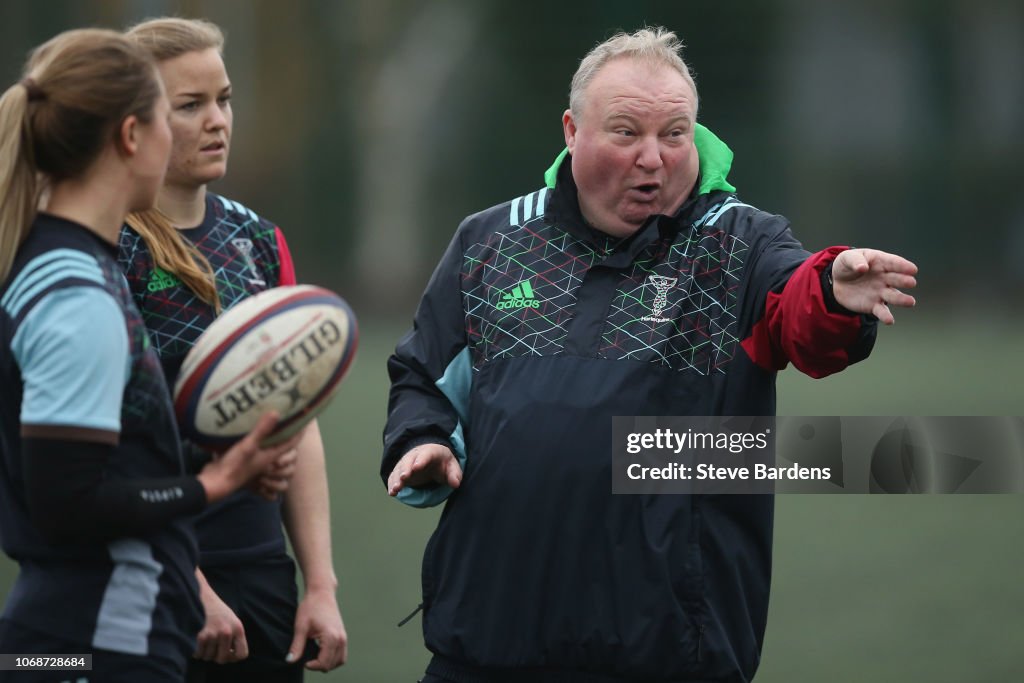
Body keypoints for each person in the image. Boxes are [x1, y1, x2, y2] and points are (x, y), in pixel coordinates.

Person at [382, 27, 918, 683]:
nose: (653, 158)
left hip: (665, 654)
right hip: (485, 646)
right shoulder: (491, 241)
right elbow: (422, 376)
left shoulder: (738, 243)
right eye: (627, 132)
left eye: (674, 133)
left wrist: (831, 291)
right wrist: (424, 438)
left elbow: (799, 315)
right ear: (572, 130)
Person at [0, 28, 301, 683]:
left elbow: (101, 457)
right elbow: (67, 503)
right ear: (133, 136)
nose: (203, 127)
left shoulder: (70, 265)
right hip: (88, 647)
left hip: (67, 641)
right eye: (175, 114)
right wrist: (210, 483)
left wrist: (213, 456)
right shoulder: (76, 292)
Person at [118, 17, 348, 682]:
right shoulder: (108, 247)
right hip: (156, 576)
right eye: (189, 106)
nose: (217, 120)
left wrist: (321, 584)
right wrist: (187, 584)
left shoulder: (257, 239)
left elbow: (295, 420)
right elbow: (110, 442)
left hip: (259, 570)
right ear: (134, 123)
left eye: (223, 99)